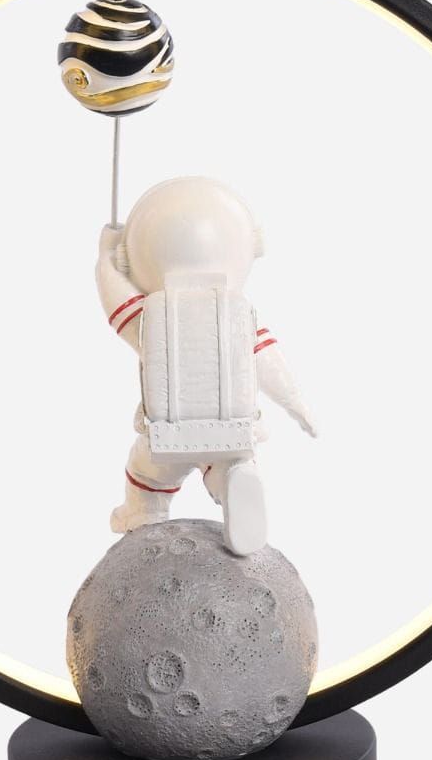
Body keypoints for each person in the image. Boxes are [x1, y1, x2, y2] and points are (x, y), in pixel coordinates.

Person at [96, 177, 317, 555]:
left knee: (146, 476)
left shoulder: (149, 318)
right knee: (225, 460)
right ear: (246, 246)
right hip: (233, 431)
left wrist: (107, 257)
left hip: (166, 436)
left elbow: (115, 302)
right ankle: (231, 477)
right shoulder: (238, 317)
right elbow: (268, 361)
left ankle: (144, 514)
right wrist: (296, 404)